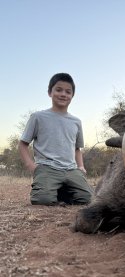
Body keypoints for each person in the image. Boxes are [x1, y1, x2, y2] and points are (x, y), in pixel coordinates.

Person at [19, 73, 93, 206]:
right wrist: (31, 166)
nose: (63, 94)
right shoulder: (37, 117)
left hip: (71, 169)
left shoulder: (76, 122)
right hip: (47, 168)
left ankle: (60, 190)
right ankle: (51, 189)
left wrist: (81, 166)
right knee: (42, 200)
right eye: (58, 90)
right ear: (49, 92)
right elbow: (23, 144)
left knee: (88, 199)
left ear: (72, 96)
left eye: (68, 91)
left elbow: (77, 149)